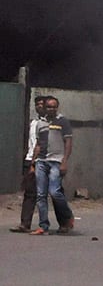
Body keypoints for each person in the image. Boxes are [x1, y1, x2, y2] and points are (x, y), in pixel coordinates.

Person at [30, 96, 75, 235]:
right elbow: (38, 144)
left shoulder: (63, 121)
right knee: (41, 195)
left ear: (57, 107)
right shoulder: (40, 123)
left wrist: (65, 161)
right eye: (49, 106)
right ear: (45, 108)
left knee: (55, 192)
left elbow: (68, 142)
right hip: (41, 162)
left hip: (56, 161)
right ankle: (43, 226)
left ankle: (68, 216)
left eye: (54, 106)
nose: (52, 109)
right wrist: (33, 162)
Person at [9, 95, 48, 233]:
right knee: (30, 192)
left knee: (52, 193)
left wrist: (35, 162)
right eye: (37, 104)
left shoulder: (51, 123)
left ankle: (66, 220)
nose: (39, 106)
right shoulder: (33, 123)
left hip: (44, 161)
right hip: (30, 159)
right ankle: (25, 223)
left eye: (42, 104)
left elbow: (43, 144)